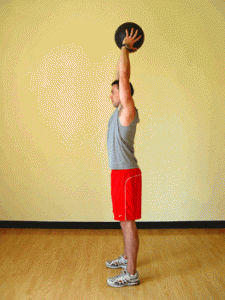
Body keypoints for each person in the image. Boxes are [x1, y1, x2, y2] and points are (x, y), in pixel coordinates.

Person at [106, 28, 142, 288]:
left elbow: (124, 75)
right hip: (118, 174)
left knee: (128, 224)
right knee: (122, 219)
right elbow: (120, 81)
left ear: (125, 93)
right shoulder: (117, 112)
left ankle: (131, 273)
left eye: (114, 91)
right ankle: (126, 257)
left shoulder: (127, 110)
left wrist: (124, 48)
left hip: (127, 174)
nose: (111, 95)